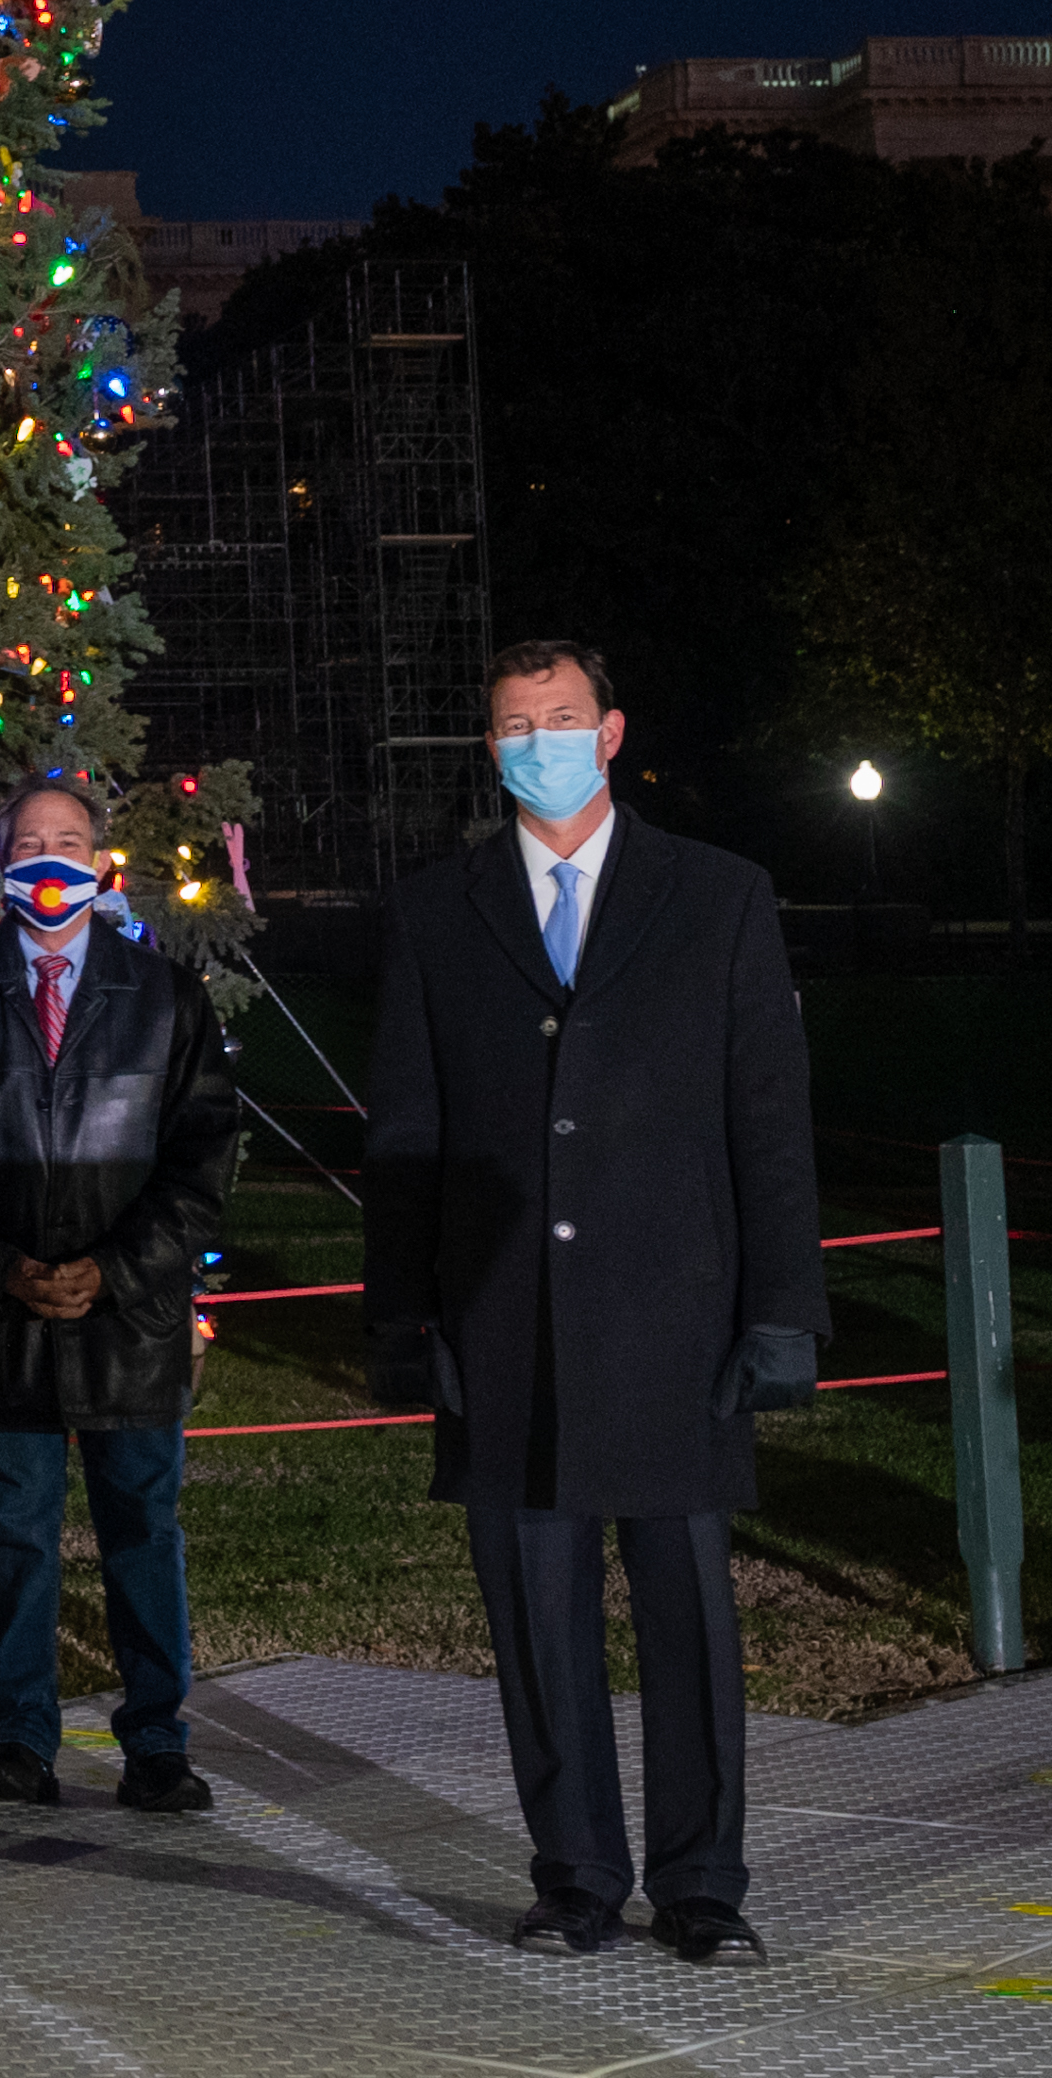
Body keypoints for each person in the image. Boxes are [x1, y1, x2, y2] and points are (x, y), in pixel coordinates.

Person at [365, 641, 824, 1967]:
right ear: (492, 746)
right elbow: (406, 1129)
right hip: (504, 1330)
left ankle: (702, 1881)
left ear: (612, 731)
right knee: (537, 1617)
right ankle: (574, 1873)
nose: (540, 740)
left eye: (563, 717)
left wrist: (784, 1302)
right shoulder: (437, 910)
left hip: (678, 1323)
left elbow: (769, 1118)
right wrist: (405, 1319)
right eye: (516, 723)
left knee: (687, 1613)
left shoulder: (720, 896)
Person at [0, 778, 244, 1814]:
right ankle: (22, 1736)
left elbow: (202, 1157)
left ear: (100, 861)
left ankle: (158, 1741)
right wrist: (0, 1262)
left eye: (70, 841)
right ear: (0, 858)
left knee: (144, 1528)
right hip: (4, 1316)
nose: (50, 857)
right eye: (29, 841)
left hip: (130, 1319)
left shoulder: (164, 994)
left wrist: (120, 1269)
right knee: (14, 1534)